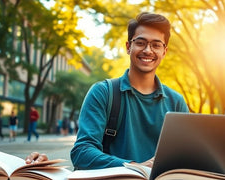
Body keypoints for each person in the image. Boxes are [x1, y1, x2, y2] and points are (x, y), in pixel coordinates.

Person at [25, 12, 189, 169]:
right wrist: (134, 167)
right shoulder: (102, 93)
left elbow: (186, 156)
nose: (148, 50)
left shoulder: (176, 103)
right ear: (128, 47)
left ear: (164, 51)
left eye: (156, 45)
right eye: (140, 42)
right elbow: (82, 152)